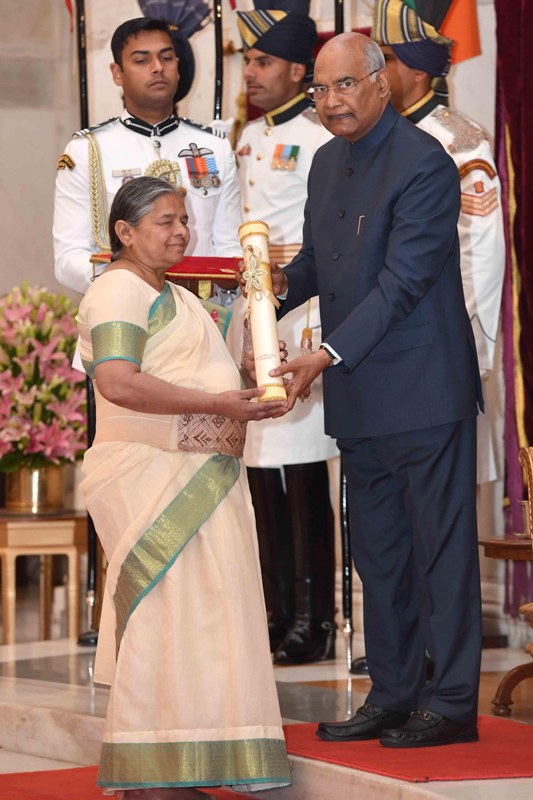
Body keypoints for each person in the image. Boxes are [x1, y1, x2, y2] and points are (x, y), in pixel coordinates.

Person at [261, 32, 484, 748]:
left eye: (344, 86)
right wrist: (278, 284)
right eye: (321, 91)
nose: (330, 103)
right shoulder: (326, 163)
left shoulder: (424, 164)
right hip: (359, 398)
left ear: (380, 84)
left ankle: (448, 701)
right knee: (378, 553)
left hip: (421, 392)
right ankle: (390, 693)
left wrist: (325, 352)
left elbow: (403, 280)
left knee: (438, 553)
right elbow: (318, 264)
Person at [77, 176, 291, 797]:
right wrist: (220, 400)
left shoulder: (179, 296)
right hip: (152, 475)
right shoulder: (117, 288)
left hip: (205, 474)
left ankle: (186, 762)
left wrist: (259, 371)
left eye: (184, 221)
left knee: (205, 622)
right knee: (163, 619)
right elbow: (118, 382)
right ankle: (149, 775)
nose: (180, 232)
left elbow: (207, 369)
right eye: (165, 222)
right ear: (124, 232)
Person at [225, 1, 338, 665]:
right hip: (253, 312)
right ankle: (274, 613)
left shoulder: (323, 136)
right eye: (247, 60)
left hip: (300, 314)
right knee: (260, 471)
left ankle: (314, 618)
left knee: (298, 471)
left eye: (263, 60)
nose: (251, 72)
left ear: (299, 67)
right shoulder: (247, 137)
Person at [373, 1, 505, 487]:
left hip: (439, 345)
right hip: (383, 339)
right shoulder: (375, 136)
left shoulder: (460, 141)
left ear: (417, 69)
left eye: (385, 57)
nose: (376, 69)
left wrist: (461, 337)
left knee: (443, 493)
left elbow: (480, 253)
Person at [54, 17, 242, 295]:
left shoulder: (214, 147)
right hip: (122, 308)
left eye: (166, 58)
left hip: (203, 312)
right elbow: (69, 256)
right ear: (117, 73)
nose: (157, 68)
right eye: (141, 61)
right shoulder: (88, 150)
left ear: (178, 66)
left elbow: (229, 246)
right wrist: (129, 281)